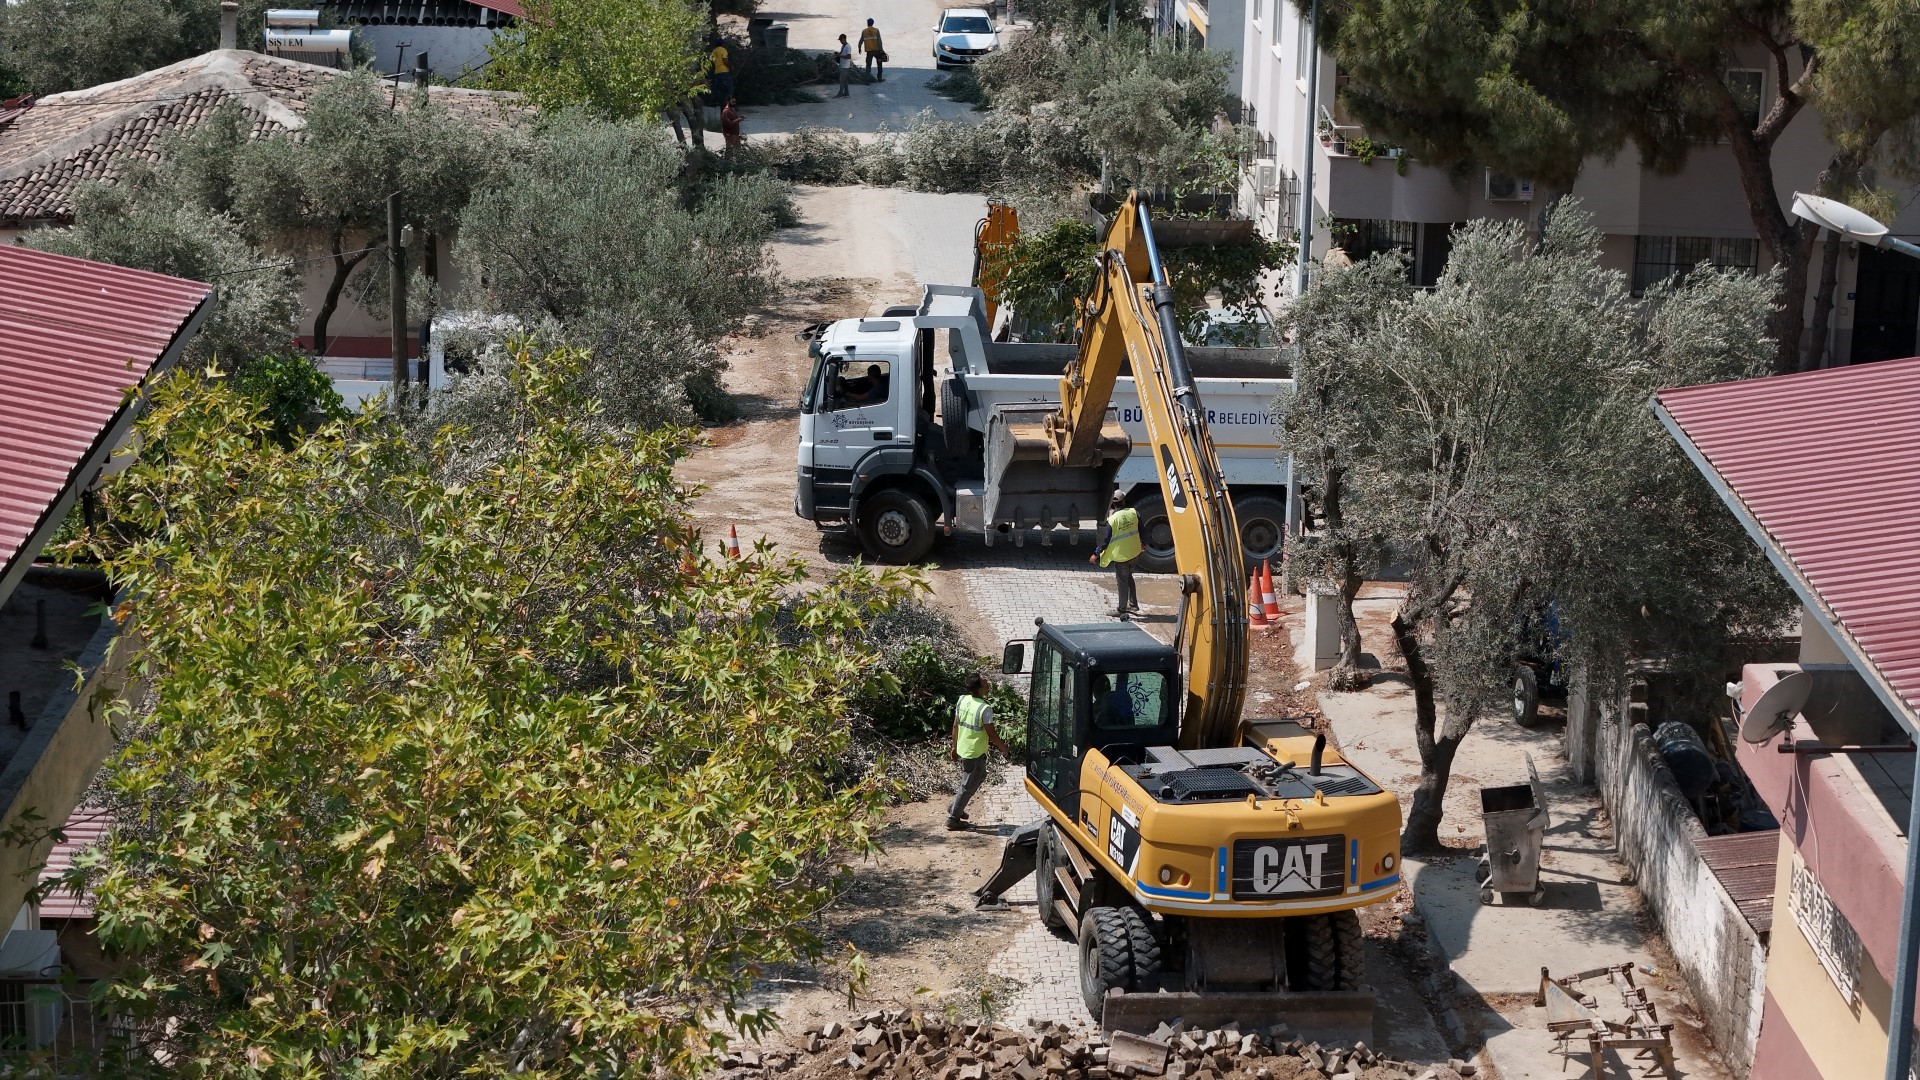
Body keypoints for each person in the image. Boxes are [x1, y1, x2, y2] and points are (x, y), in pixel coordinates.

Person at [948, 672, 1007, 830]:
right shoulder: (985, 708)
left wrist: (954, 747)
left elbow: (955, 726)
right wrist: (1003, 749)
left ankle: (955, 807)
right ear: (980, 689)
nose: (987, 680)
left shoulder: (962, 700)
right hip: (974, 753)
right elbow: (992, 734)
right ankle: (953, 819)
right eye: (984, 681)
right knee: (968, 787)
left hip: (964, 749)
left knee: (979, 777)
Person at [1091, 490, 1141, 618]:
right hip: (1135, 552)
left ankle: (1121, 609)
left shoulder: (1112, 520)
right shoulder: (1134, 513)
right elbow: (1143, 530)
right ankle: (1133, 604)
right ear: (1124, 501)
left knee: (1122, 582)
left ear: (1113, 505)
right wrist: (1144, 543)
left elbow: (1105, 541)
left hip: (1122, 556)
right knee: (1129, 577)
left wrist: (1096, 554)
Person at [708, 35, 733, 105]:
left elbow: (712, 62)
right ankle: (730, 104)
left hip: (717, 72)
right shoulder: (723, 50)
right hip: (724, 71)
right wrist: (730, 67)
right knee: (729, 89)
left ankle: (712, 103)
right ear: (722, 43)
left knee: (715, 89)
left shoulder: (713, 51)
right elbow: (724, 60)